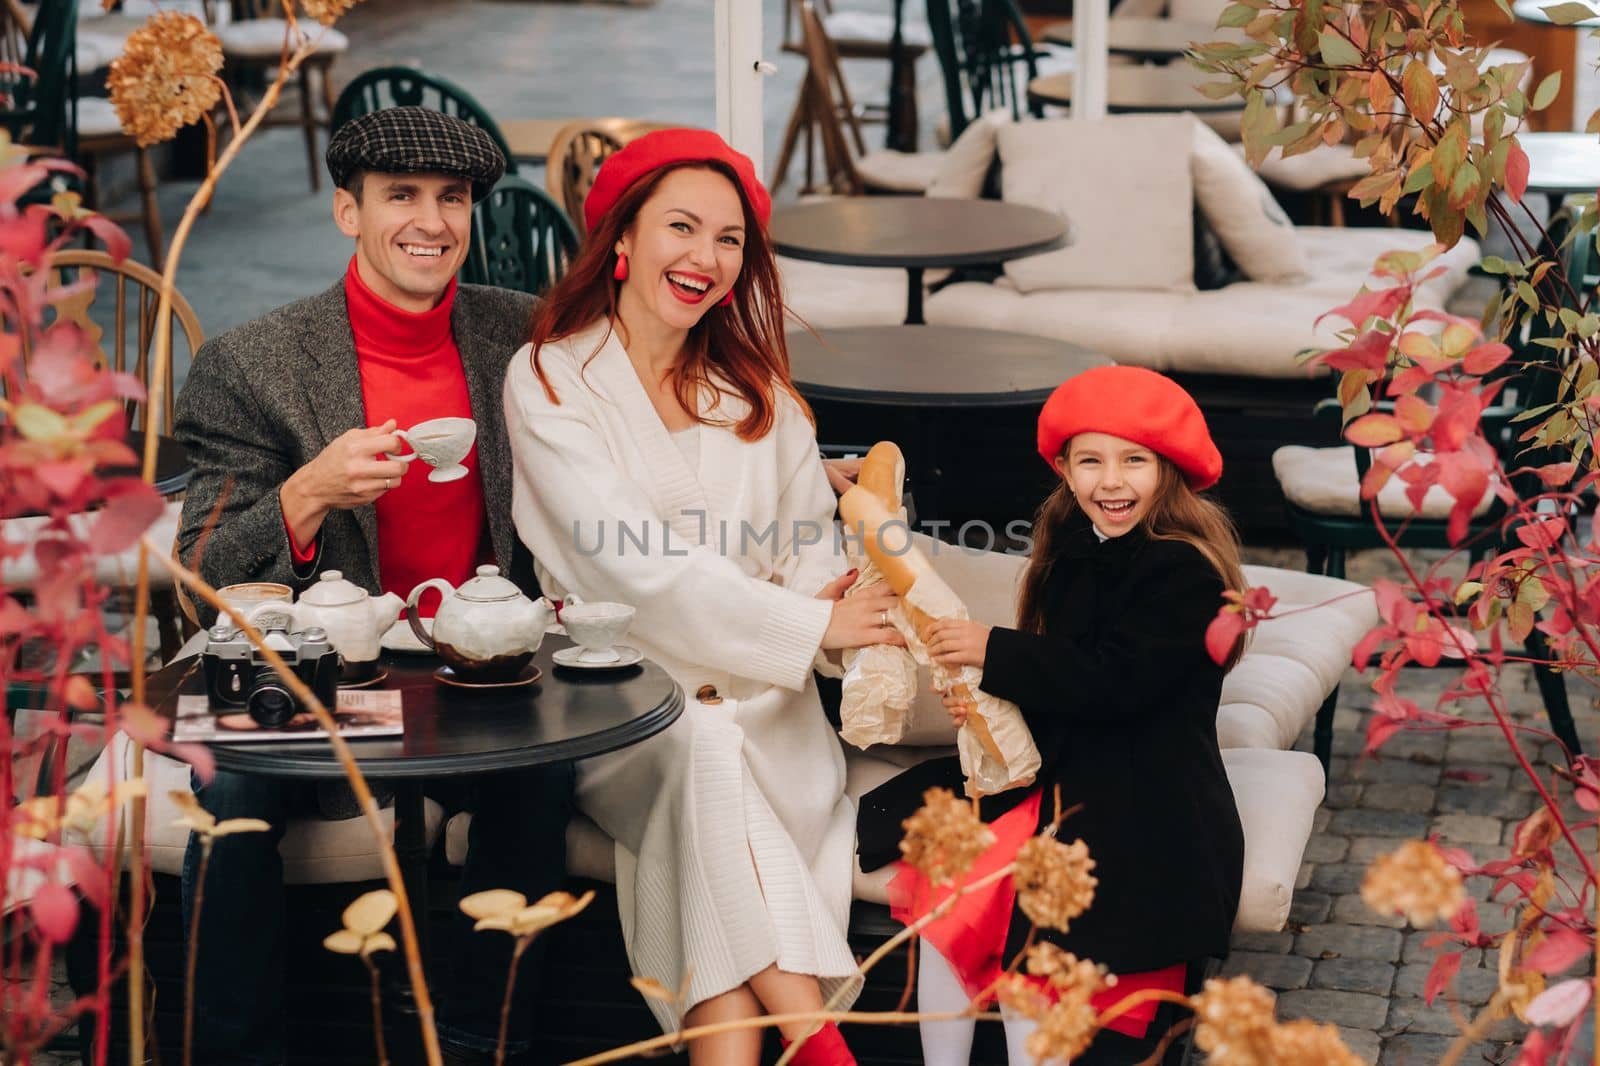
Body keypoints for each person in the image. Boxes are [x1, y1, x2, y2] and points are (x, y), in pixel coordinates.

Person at [172, 107, 571, 1066]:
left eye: (452, 200)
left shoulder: (518, 334)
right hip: (322, 680)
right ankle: (232, 1052)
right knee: (224, 798)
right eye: (401, 198)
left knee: (542, 771)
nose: (430, 223)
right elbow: (199, 573)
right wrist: (307, 494)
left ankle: (485, 1040)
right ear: (349, 212)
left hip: (479, 670)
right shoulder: (256, 362)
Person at [502, 128, 903, 1066]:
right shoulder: (553, 377)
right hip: (622, 709)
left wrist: (832, 612)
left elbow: (806, 547)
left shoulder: (756, 389)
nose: (706, 258)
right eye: (681, 226)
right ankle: (819, 1042)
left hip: (769, 710)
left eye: (729, 239)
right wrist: (805, 624)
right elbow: (624, 569)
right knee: (697, 747)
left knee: (715, 824)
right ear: (622, 239)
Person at [856, 366, 1248, 1065]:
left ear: (1171, 470)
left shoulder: (1185, 572)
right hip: (1072, 776)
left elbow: (1120, 681)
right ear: (1064, 469)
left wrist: (995, 651)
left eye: (1135, 460)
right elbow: (1067, 677)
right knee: (948, 897)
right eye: (1091, 460)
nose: (1111, 481)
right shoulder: (1074, 551)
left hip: (1145, 804)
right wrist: (987, 697)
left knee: (1026, 941)